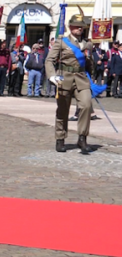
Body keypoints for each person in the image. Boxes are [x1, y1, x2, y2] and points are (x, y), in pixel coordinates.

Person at [47, 13, 94, 154]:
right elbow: (49, 60)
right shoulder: (62, 42)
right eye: (76, 26)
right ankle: (60, 138)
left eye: (81, 26)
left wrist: (91, 75)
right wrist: (52, 75)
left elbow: (89, 64)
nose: (79, 28)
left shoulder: (87, 44)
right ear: (70, 26)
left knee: (86, 106)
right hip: (64, 78)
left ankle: (82, 138)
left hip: (81, 79)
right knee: (63, 110)